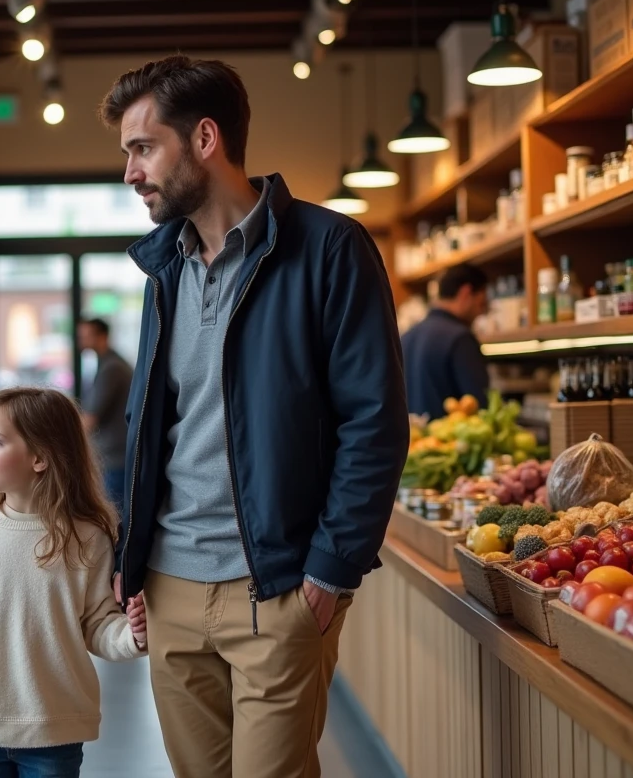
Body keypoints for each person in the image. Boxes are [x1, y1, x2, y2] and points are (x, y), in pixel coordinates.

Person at [98, 55, 409, 778]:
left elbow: (375, 423)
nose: (130, 173)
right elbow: (157, 425)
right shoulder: (164, 272)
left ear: (204, 139)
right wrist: (132, 556)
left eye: (143, 148)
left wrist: (328, 575)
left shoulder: (329, 249)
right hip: (170, 589)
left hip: (275, 589)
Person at [0, 387, 148, 777]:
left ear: (40, 457)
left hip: (55, 733)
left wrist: (133, 636)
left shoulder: (89, 539)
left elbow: (99, 624)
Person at [401, 264, 491, 420]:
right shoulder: (460, 338)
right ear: (466, 293)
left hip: (413, 440)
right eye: (481, 303)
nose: (481, 312)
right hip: (450, 441)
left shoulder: (408, 335)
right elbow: (479, 406)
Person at [76, 318, 133, 508]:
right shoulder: (107, 363)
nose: (81, 340)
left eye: (87, 336)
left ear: (102, 337)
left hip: (114, 459)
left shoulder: (112, 368)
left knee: (113, 520)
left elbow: (90, 418)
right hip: (115, 457)